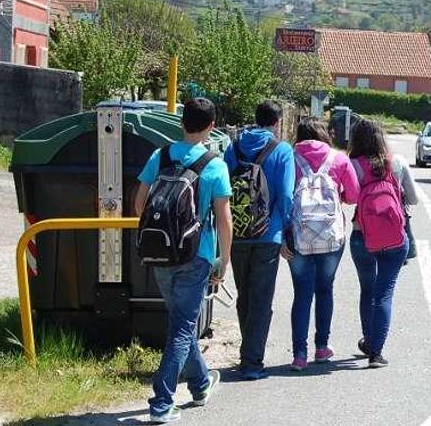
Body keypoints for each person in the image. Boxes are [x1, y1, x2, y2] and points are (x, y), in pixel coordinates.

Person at [135, 98, 233, 424]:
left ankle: (201, 382)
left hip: (160, 252)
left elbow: (139, 205)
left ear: (182, 122)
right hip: (197, 255)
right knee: (181, 328)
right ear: (210, 126)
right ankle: (162, 403)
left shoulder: (159, 155)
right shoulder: (214, 164)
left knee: (181, 322)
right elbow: (224, 220)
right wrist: (224, 260)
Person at [223, 100, 295, 381]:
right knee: (262, 298)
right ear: (277, 122)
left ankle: (247, 350)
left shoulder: (234, 146)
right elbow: (287, 195)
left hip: (238, 232)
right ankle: (252, 361)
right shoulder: (282, 150)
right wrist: (286, 228)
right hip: (268, 233)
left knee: (245, 295)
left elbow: (225, 186)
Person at [282, 118, 359, 371]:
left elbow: (281, 197)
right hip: (331, 236)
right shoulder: (339, 159)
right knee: (325, 288)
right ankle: (322, 347)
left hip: (298, 236)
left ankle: (299, 355)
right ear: (324, 134)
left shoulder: (289, 157)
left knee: (301, 293)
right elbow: (354, 194)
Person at [349, 119, 417, 368]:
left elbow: (347, 197)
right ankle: (375, 353)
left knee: (368, 290)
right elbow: (414, 199)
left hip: (362, 236)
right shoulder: (396, 162)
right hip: (394, 238)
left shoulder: (353, 165)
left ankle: (368, 340)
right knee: (384, 292)